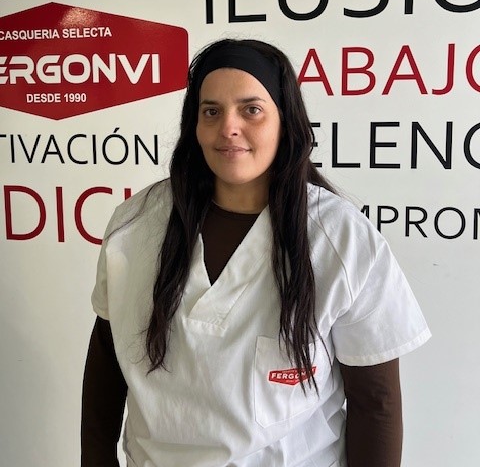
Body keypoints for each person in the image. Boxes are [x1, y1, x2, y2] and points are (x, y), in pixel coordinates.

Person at [81, 38, 431, 467]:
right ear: (194, 124)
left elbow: (376, 404)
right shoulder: (136, 226)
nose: (228, 127)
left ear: (285, 121)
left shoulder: (340, 238)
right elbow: (106, 365)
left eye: (251, 110)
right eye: (211, 111)